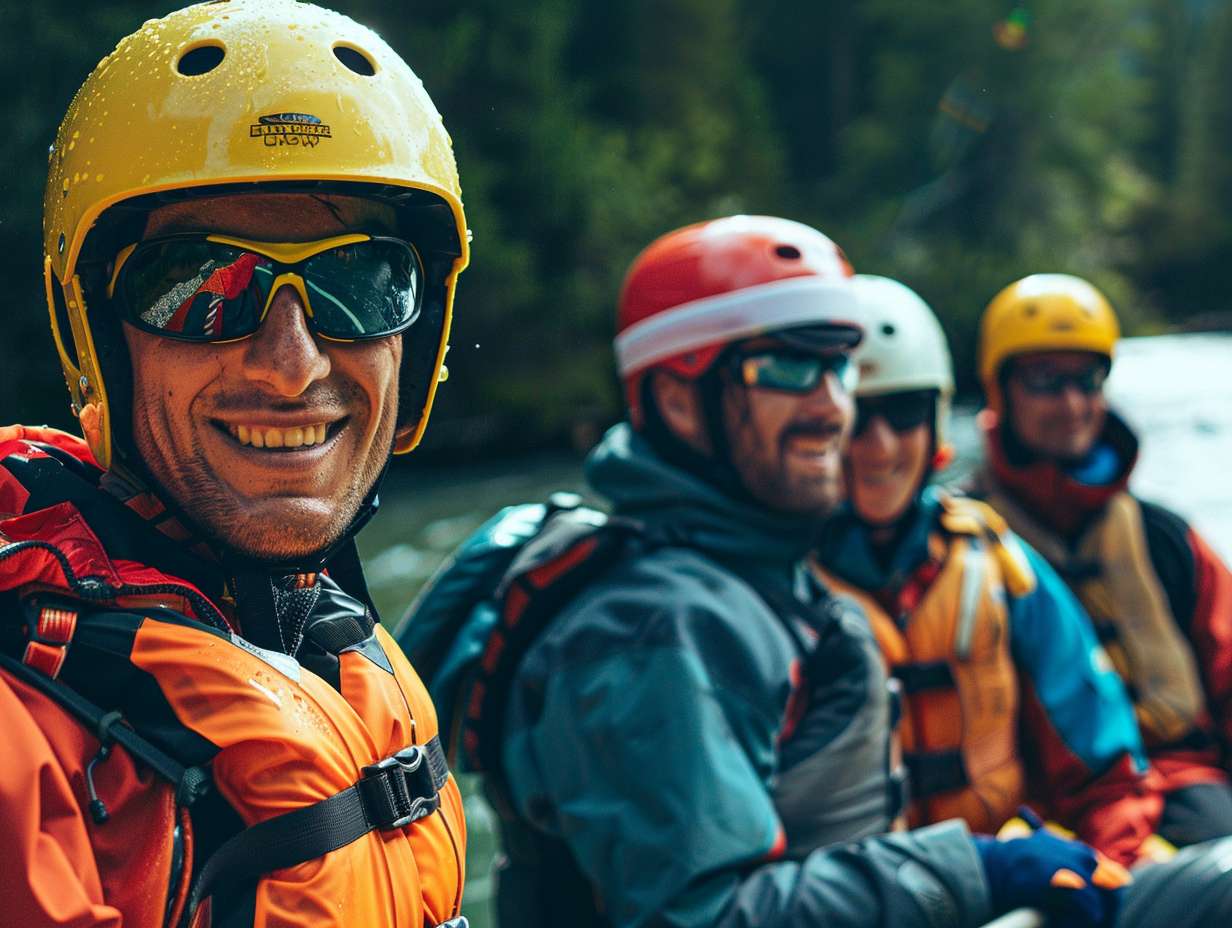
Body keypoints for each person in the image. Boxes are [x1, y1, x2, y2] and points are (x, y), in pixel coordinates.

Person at [403, 217, 1127, 928]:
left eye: (837, 365)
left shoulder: (750, 581)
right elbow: (707, 915)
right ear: (680, 400)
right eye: (787, 368)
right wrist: (972, 873)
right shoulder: (650, 626)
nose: (832, 407)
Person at [0, 2, 471, 925]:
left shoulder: (313, 629)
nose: (293, 365)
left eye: (359, 281)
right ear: (95, 333)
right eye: (201, 288)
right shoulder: (25, 726)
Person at [812, 274, 1232, 926]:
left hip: (1064, 839)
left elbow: (1104, 762)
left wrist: (1115, 864)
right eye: (1044, 381)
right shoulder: (779, 588)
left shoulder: (1151, 540)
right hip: (900, 883)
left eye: (1084, 381)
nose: (881, 446)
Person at [969, 274, 1232, 848]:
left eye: (1086, 380)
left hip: (1181, 782)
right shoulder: (960, 546)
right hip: (1038, 811)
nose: (1071, 404)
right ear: (999, 390)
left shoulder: (1165, 539)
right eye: (1044, 381)